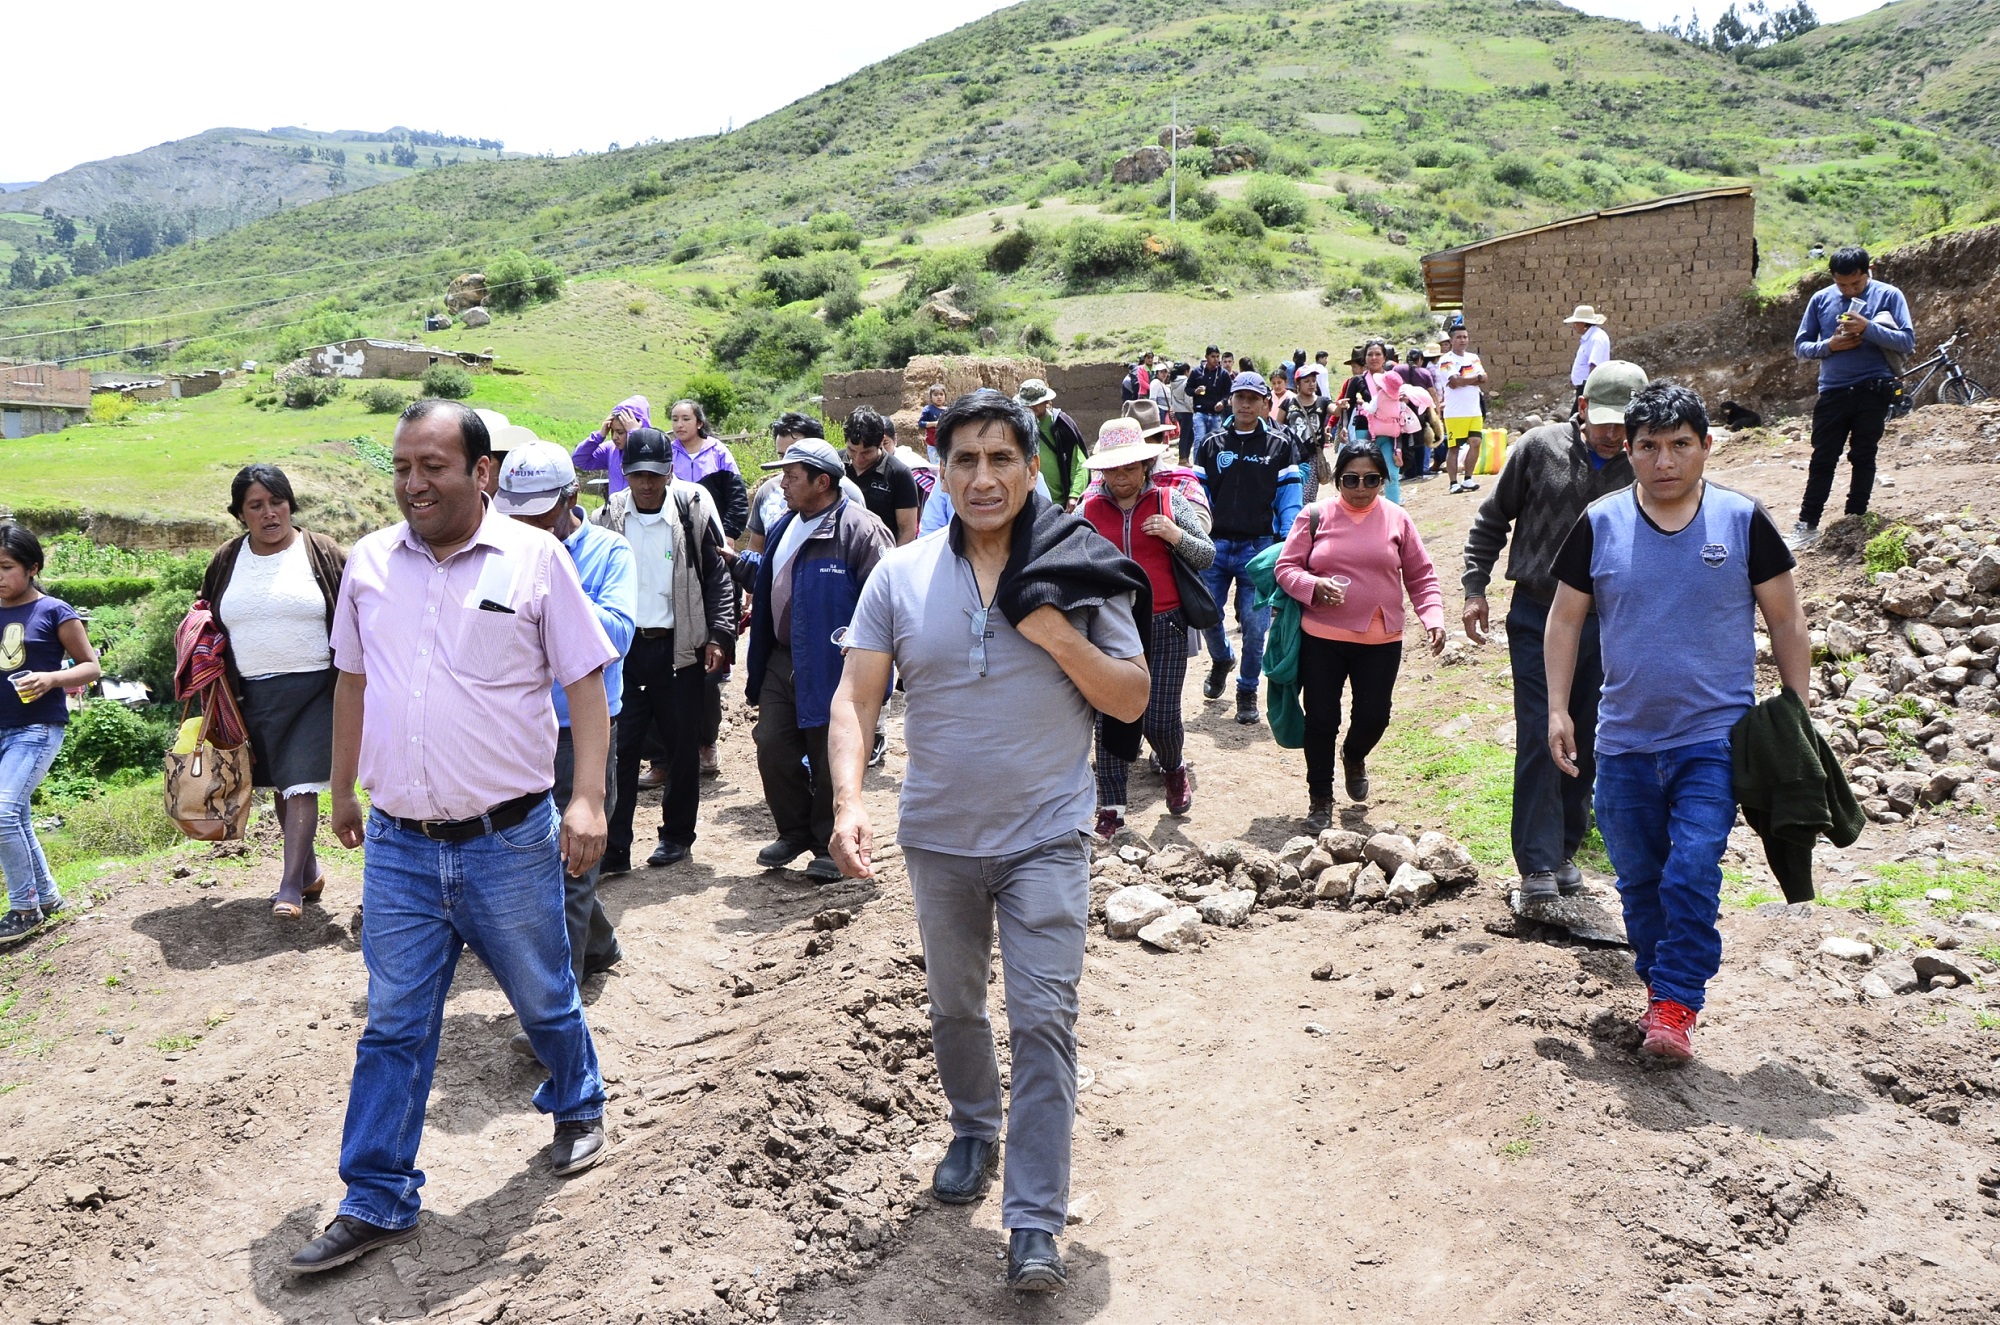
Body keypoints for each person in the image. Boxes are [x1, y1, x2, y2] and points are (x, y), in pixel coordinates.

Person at [826, 389, 1148, 1294]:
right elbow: (855, 698)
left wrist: (1049, 630)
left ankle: (1035, 1220)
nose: (984, 477)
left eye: (1002, 457)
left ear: (1033, 466)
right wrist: (848, 798)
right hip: (938, 838)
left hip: (1048, 833)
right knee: (956, 1005)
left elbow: (1129, 696)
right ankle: (974, 1124)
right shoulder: (900, 573)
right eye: (964, 460)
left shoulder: (1080, 566)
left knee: (1044, 1019)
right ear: (943, 472)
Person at [289, 400, 617, 1275]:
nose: (412, 482)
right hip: (399, 842)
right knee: (395, 1021)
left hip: (506, 838)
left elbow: (584, 685)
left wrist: (588, 798)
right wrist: (343, 790)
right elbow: (352, 682)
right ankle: (377, 1194)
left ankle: (578, 1097)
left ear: (481, 474)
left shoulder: (535, 556)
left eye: (432, 465)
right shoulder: (367, 564)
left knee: (543, 991)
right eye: (402, 466)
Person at [1545, 382, 1809, 1063]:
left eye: (1680, 445)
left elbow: (1785, 618)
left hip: (1714, 740)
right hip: (1624, 739)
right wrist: (1555, 708)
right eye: (1649, 447)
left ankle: (1675, 1004)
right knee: (1639, 880)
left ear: (1705, 447)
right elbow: (1564, 619)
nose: (1665, 460)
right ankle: (1660, 988)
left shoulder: (1742, 520)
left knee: (1691, 867)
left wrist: (1797, 711)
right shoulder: (1599, 523)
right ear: (1627, 451)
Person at [1462, 362, 1645, 902]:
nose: (1615, 435)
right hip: (1538, 616)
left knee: (1588, 734)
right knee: (1546, 729)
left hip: (1610, 624)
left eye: (1626, 424)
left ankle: (1565, 849)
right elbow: (1491, 520)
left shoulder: (1644, 465)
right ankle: (1537, 864)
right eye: (1606, 421)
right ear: (1583, 407)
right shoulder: (1538, 449)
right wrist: (1476, 588)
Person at [495, 439, 634, 1058]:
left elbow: (619, 634)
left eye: (539, 514)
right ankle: (597, 942)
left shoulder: (608, 552)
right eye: (515, 513)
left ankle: (555, 1008)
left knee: (572, 856)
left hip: (584, 726)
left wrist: (555, 594)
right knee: (533, 856)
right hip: (519, 726)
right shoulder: (500, 550)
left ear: (572, 500)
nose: (526, 526)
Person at [731, 438, 893, 882]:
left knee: (829, 753)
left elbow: (888, 602)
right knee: (773, 745)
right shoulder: (786, 525)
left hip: (835, 662)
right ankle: (794, 831)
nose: (781, 484)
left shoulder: (861, 531)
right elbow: (771, 577)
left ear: (822, 482)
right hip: (783, 658)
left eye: (790, 476)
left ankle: (827, 841)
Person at [201, 464, 346, 919]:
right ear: (240, 514)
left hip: (318, 689)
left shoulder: (321, 552)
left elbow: (357, 610)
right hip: (251, 695)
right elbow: (204, 615)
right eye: (256, 506)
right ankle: (308, 871)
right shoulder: (227, 559)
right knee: (284, 786)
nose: (269, 514)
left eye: (277, 502)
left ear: (290, 503)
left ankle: (288, 887)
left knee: (302, 782)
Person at [1275, 441, 1445, 831]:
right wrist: (1313, 586)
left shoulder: (1397, 518)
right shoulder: (1314, 515)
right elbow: (1286, 568)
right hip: (1322, 636)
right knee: (1321, 719)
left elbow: (1421, 576)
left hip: (1381, 639)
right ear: (1338, 480)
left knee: (1374, 717)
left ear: (1383, 480)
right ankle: (1320, 799)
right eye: (1351, 479)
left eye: (1371, 479)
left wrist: (1432, 616)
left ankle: (1354, 756)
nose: (1361, 487)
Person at [590, 428, 735, 872]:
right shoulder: (609, 519)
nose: (647, 484)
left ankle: (676, 838)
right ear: (626, 474)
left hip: (678, 649)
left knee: (681, 748)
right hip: (625, 652)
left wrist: (719, 634)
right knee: (620, 751)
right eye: (637, 475)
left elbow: (718, 577)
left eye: (655, 474)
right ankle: (615, 848)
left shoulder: (690, 513)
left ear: (670, 471)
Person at [1080, 419, 1212, 834]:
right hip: (1108, 627)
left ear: (1146, 464)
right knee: (1110, 716)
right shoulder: (1086, 511)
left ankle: (1173, 766)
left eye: (1129, 468)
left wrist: (1175, 536)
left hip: (1165, 623)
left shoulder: (1171, 500)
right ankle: (1112, 807)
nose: (1120, 477)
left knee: (1159, 719)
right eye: (1112, 469)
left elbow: (1206, 555)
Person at [0, 524, 101, 946]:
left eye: (5, 567)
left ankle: (24, 909)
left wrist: (51, 678)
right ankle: (48, 898)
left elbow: (91, 667)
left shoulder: (55, 611)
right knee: (16, 816)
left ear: (32, 567)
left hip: (36, 729)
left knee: (1, 815)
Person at [1194, 371, 1304, 724]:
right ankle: (1222, 657)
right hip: (1215, 547)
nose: (1245, 403)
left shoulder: (1279, 445)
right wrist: (1195, 534)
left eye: (1253, 398)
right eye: (1239, 397)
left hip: (1258, 548)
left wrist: (1288, 539)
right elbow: (1199, 496)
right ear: (1230, 400)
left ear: (1264, 403)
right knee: (1206, 614)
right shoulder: (1210, 444)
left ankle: (1246, 690)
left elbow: (1289, 496)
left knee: (1256, 626)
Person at [1790, 246, 1916, 548]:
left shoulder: (1889, 295)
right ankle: (1807, 524)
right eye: (1841, 285)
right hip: (1833, 390)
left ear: (1868, 270)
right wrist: (1830, 346)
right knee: (1823, 458)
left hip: (1873, 388)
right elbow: (1801, 346)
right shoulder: (1820, 299)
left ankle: (1855, 519)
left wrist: (1868, 328)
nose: (1848, 291)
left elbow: (1907, 341)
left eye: (1855, 284)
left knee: (1863, 454)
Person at [746, 414, 865, 555]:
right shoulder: (767, 491)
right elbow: (756, 550)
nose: (786, 462)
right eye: (781, 456)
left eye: (794, 454)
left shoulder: (848, 494)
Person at [843, 407, 922, 545]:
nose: (858, 459)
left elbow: (907, 531)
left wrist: (891, 563)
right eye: (852, 450)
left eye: (866, 453)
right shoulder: (835, 466)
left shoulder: (899, 474)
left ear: (881, 442)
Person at [1015, 379, 1090, 512]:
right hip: (1027, 506)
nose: (1031, 409)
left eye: (1035, 404)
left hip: (1058, 506)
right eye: (1027, 406)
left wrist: (1074, 495)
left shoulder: (1061, 425)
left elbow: (1079, 463)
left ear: (1047, 402)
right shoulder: (1016, 427)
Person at [1434, 324, 1487, 495]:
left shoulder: (1473, 357)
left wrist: (1465, 379)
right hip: (1455, 412)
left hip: (1474, 410)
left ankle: (1468, 478)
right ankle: (1453, 482)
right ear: (1451, 340)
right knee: (1454, 447)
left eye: (1465, 337)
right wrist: (1475, 378)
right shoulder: (1446, 360)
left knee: (1476, 443)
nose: (1462, 340)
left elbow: (1483, 378)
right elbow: (1454, 382)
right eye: (1459, 337)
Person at [1356, 348, 1410, 505]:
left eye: (1378, 354)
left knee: (1388, 473)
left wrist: (1362, 404)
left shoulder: (1381, 397)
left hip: (1379, 438)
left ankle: (1390, 506)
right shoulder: (1396, 398)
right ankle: (1383, 504)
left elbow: (1370, 409)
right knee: (1377, 473)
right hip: (1386, 438)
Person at [571, 395, 651, 498]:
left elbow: (639, 465)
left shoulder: (652, 449)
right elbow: (579, 459)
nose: (614, 437)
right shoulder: (611, 449)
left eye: (620, 432)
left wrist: (635, 436)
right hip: (615, 511)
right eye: (612, 431)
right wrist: (599, 436)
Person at [1564, 305, 1612, 418]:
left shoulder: (1596, 338)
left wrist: (1588, 391)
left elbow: (1594, 365)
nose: (1574, 326)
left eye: (1576, 322)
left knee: (1576, 420)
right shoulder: (1590, 337)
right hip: (1584, 386)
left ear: (1584, 323)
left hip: (1588, 386)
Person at [1187, 347, 1233, 452]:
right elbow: (1187, 389)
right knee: (1199, 441)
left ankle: (1212, 467)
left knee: (1215, 443)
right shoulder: (1196, 372)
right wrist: (1195, 391)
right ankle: (1198, 467)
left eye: (1218, 356)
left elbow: (1229, 393)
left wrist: (1223, 402)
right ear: (1206, 357)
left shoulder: (1223, 374)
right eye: (1213, 356)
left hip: (1216, 415)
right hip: (1200, 413)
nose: (1216, 359)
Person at [1166, 362, 1197, 463]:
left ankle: (1185, 458)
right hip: (1187, 412)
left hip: (1178, 411)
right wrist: (1193, 410)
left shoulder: (1173, 382)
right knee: (1185, 435)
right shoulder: (1186, 382)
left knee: (1189, 435)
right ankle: (1183, 458)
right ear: (1186, 371)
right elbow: (1188, 400)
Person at [918, 382, 948, 460]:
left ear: (945, 396)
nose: (939, 397)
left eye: (941, 394)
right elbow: (921, 423)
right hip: (932, 444)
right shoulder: (928, 409)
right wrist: (934, 424)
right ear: (931, 397)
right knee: (936, 466)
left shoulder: (948, 410)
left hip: (946, 444)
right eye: (935, 395)